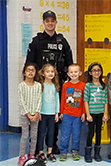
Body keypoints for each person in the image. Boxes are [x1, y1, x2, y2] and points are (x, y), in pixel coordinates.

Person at [26, 9, 73, 154]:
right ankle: (35, 145)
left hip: (56, 85)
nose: (50, 23)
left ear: (56, 22)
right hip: (39, 86)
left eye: (52, 20)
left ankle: (52, 144)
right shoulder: (37, 41)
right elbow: (29, 64)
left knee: (54, 117)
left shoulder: (62, 41)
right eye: (47, 21)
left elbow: (69, 63)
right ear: (43, 23)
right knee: (37, 117)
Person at [59, 64, 86, 161]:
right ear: (68, 74)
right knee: (65, 134)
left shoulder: (83, 86)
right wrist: (61, 112)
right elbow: (62, 99)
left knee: (76, 134)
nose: (73, 74)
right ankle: (63, 151)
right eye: (71, 72)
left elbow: (84, 101)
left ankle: (75, 151)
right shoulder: (65, 85)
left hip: (78, 115)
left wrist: (83, 113)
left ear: (80, 73)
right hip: (67, 114)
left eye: (76, 72)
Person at [18, 63, 42, 166]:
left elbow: (39, 100)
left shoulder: (38, 85)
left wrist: (36, 113)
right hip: (25, 114)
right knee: (24, 135)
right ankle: (22, 156)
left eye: (32, 70)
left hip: (35, 114)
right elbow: (21, 101)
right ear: (24, 72)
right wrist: (28, 114)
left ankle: (31, 155)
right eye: (28, 70)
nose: (30, 72)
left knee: (34, 135)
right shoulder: (21, 86)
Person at [84, 62, 109, 163]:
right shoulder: (88, 85)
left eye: (98, 70)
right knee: (90, 133)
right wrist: (88, 114)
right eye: (94, 70)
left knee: (99, 133)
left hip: (100, 113)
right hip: (92, 113)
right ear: (90, 72)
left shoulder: (103, 86)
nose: (96, 72)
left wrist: (105, 114)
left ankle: (97, 153)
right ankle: (88, 153)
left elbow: (105, 101)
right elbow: (86, 100)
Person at [37, 64, 60, 163]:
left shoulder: (55, 86)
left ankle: (50, 152)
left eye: (52, 71)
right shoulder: (40, 86)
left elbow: (57, 100)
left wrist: (56, 113)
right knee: (41, 133)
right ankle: (40, 152)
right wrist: (38, 112)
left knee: (51, 133)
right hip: (42, 113)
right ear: (43, 74)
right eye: (48, 71)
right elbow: (38, 100)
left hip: (52, 114)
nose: (50, 73)